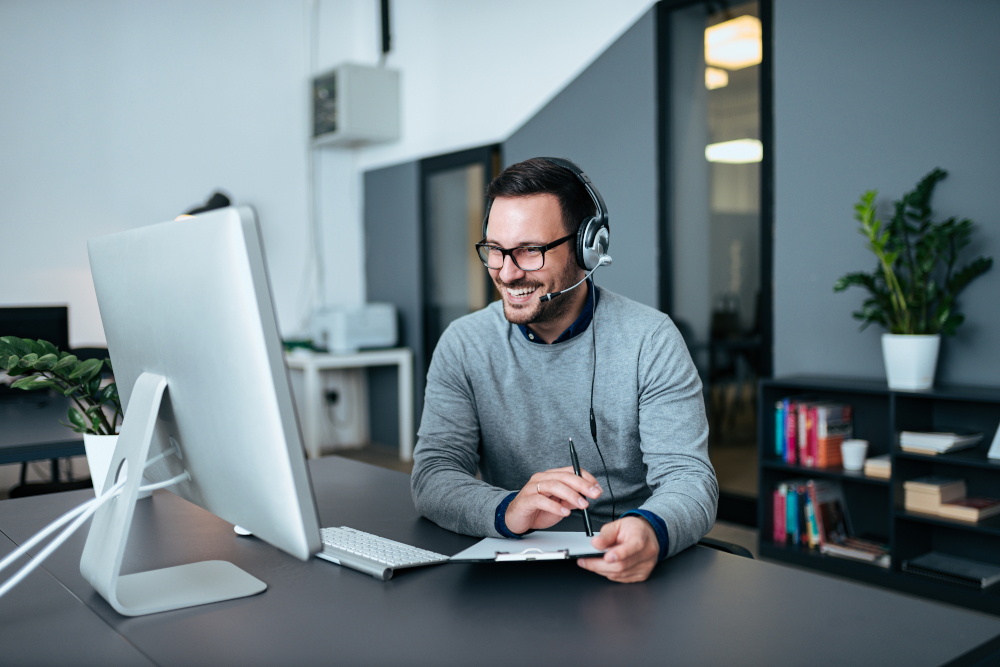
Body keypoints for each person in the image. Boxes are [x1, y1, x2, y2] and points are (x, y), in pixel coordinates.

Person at [411, 157, 717, 583]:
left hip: (625, 564)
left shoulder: (650, 339)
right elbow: (434, 475)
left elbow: (690, 479)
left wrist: (650, 530)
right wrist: (508, 508)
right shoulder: (464, 343)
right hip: (515, 565)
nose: (507, 271)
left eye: (530, 251)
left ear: (586, 247)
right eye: (495, 250)